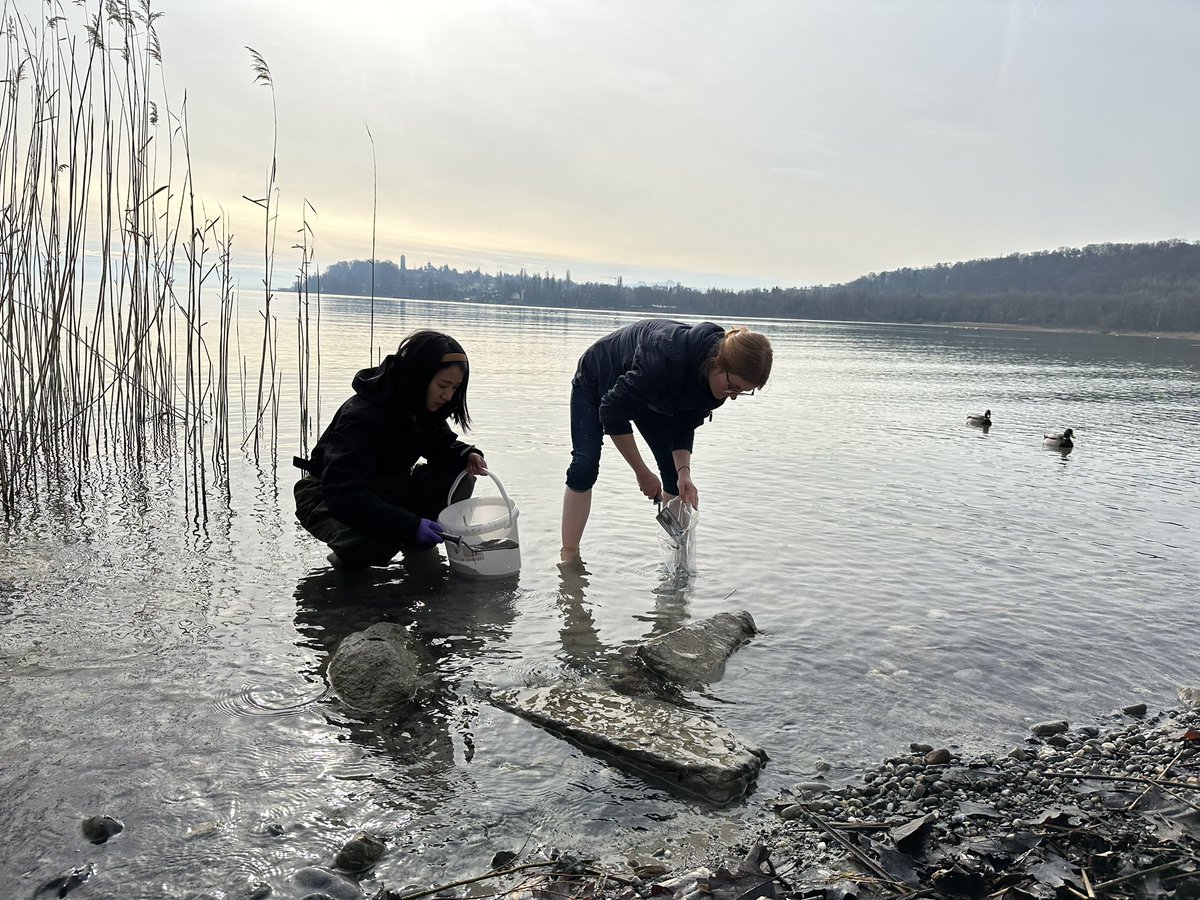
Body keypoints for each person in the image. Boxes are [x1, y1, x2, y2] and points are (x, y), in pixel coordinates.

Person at [560, 319, 773, 563]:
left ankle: (677, 563)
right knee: (585, 466)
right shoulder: (664, 355)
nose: (732, 397)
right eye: (732, 387)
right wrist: (642, 473)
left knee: (675, 480)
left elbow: (683, 424)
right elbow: (612, 411)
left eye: (741, 391)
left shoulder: (716, 387)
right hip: (597, 378)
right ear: (718, 363)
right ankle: (569, 558)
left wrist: (684, 473)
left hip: (652, 395)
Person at [294, 330, 488, 571]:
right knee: (379, 542)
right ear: (419, 377)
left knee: (460, 475)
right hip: (326, 494)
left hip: (385, 487)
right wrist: (409, 525)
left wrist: (467, 454)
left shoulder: (420, 407)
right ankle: (351, 559)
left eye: (455, 388)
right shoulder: (362, 417)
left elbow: (440, 445)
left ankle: (417, 542)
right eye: (443, 385)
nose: (448, 396)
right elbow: (343, 494)